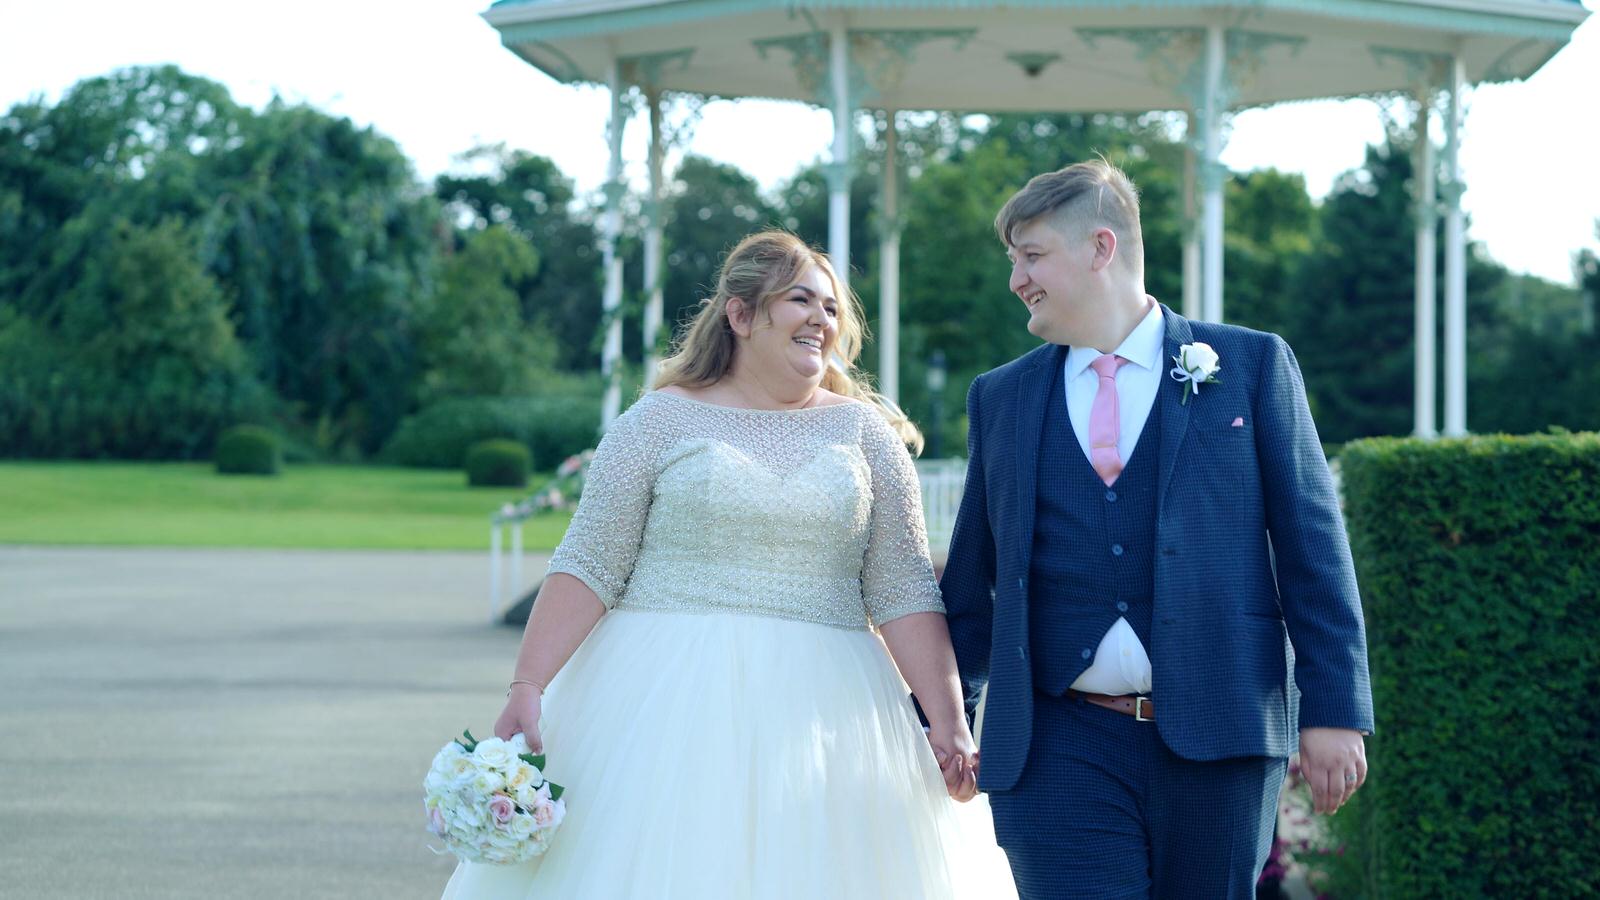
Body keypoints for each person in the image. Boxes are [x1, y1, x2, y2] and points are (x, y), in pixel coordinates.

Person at [440, 230, 1015, 899]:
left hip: (828, 711)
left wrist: (949, 721)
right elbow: (589, 563)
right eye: (801, 300)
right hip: (662, 704)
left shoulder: (867, 436)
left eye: (831, 307)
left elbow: (905, 591)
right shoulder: (656, 421)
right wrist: (528, 685)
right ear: (740, 315)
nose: (821, 319)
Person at [938, 160, 1374, 899]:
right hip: (1055, 746)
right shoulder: (1001, 397)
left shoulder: (1251, 366)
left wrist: (1335, 710)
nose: (1017, 279)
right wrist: (941, 715)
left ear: (1101, 248)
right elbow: (973, 580)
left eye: (1031, 255)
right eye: (1014, 259)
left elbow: (1313, 549)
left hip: (1222, 735)